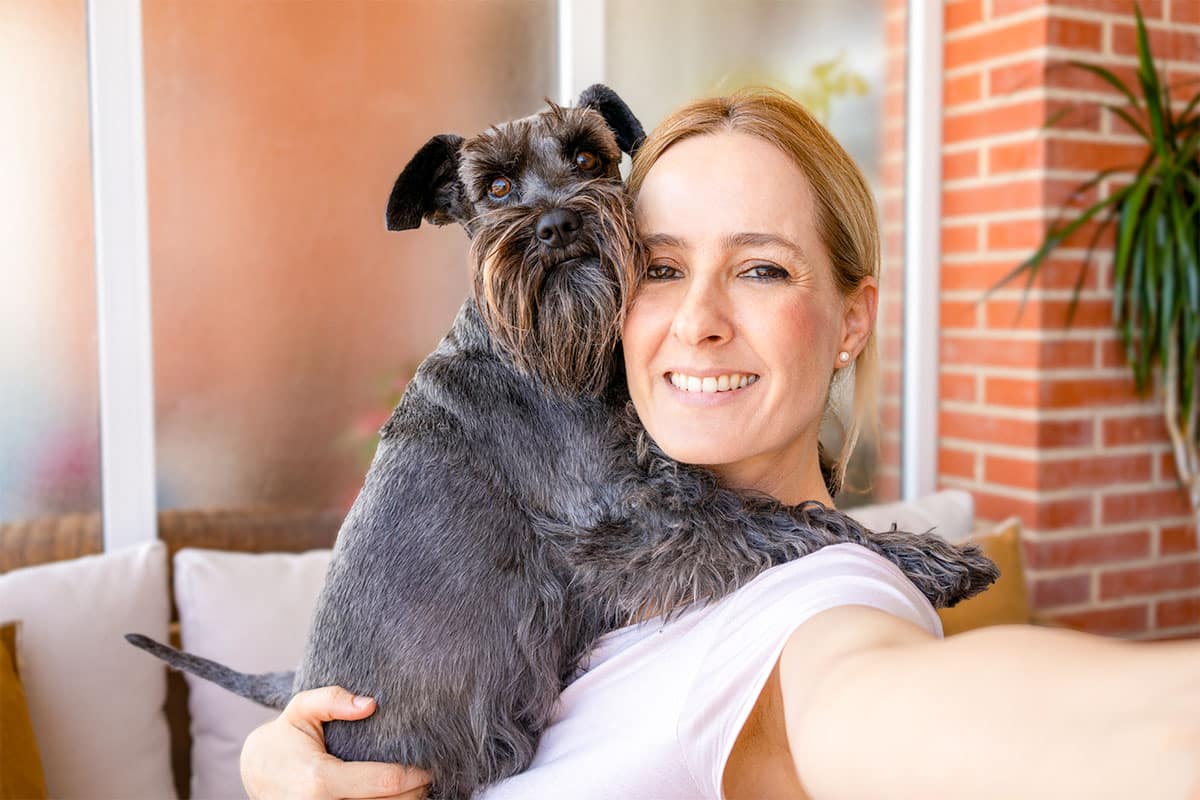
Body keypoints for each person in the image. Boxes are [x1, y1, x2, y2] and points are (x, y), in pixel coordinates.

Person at [240, 89, 1200, 800]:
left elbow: (919, 708)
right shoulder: (596, 516)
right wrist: (274, 757)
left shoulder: (820, 616)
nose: (697, 320)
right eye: (659, 267)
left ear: (851, 320)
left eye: (762, 269)